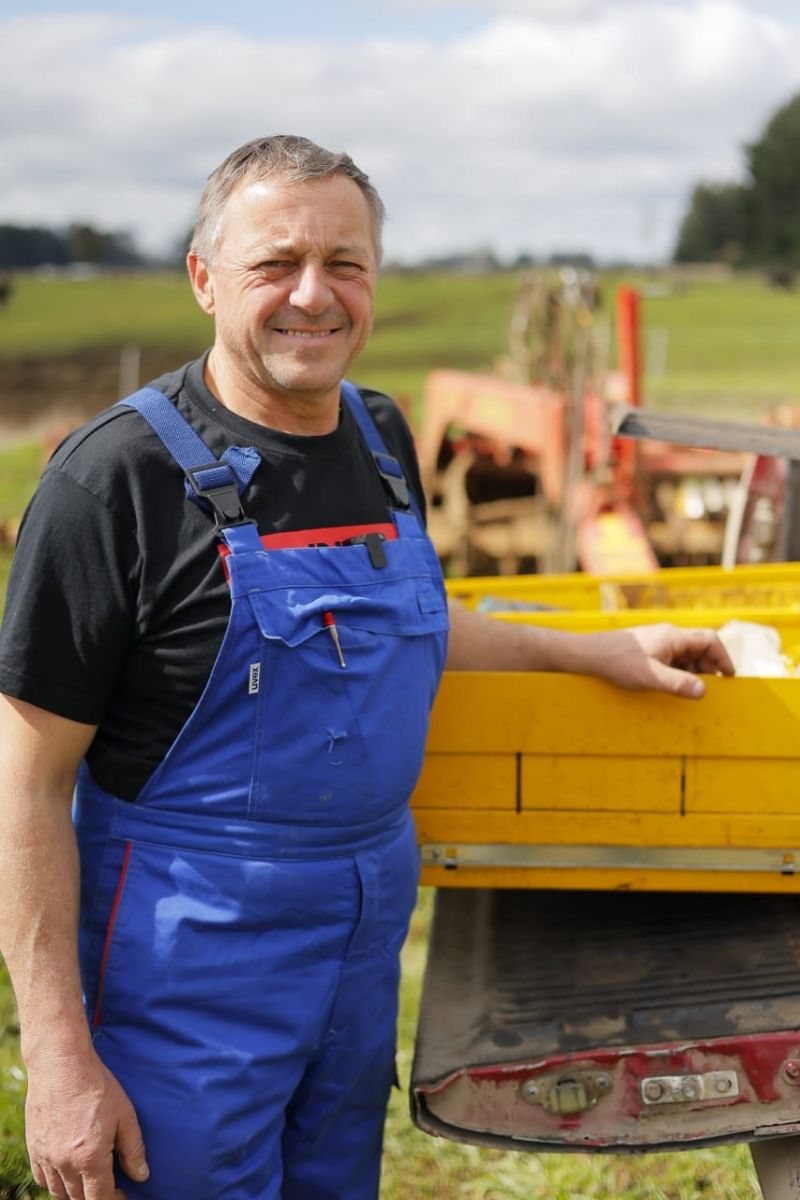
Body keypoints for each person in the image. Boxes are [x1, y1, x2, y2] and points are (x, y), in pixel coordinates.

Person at [0, 135, 734, 1200]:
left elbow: (410, 618)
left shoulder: (381, 438)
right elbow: (25, 780)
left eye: (344, 263)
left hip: (359, 936)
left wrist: (594, 651)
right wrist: (59, 1060)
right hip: (188, 946)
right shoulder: (113, 482)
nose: (314, 294)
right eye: (275, 264)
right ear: (205, 279)